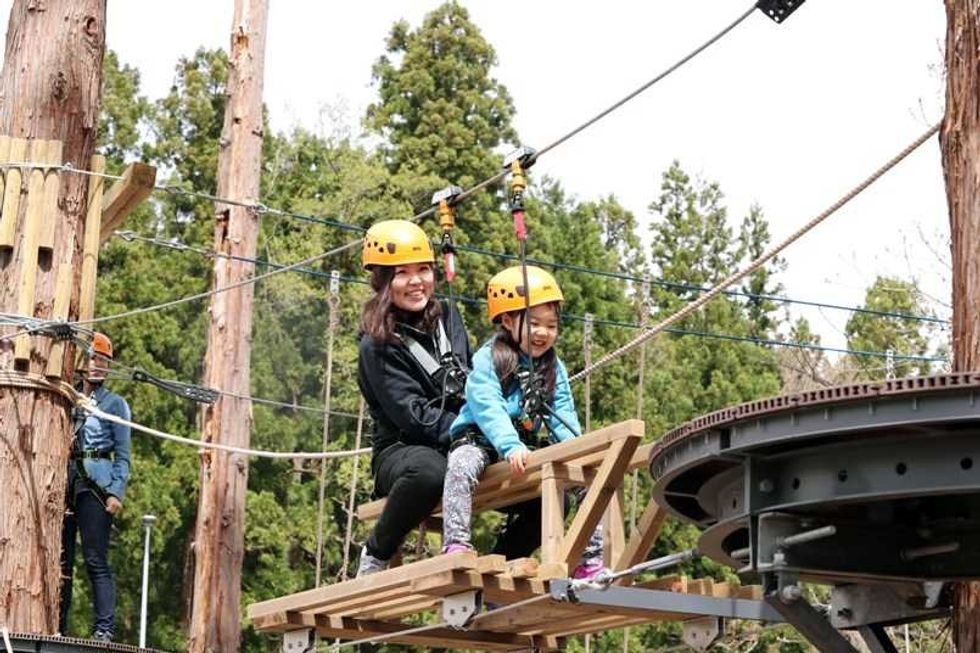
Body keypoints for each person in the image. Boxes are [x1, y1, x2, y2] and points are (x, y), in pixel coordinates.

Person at [440, 265, 605, 580]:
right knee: (461, 466)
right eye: (535, 324)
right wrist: (508, 444)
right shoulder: (489, 359)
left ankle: (590, 559)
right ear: (507, 321)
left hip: (522, 444)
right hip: (482, 440)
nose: (543, 333)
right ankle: (457, 542)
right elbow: (488, 404)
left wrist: (578, 448)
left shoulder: (552, 366)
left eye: (551, 325)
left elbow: (562, 409)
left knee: (584, 477)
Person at [356, 219, 472, 576]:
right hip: (403, 450)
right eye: (403, 273)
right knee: (429, 472)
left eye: (423, 270)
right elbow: (413, 415)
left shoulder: (447, 317)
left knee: (532, 463)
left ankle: (506, 556)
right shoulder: (376, 345)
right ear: (383, 281)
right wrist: (467, 429)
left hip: (458, 435)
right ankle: (377, 552)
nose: (417, 281)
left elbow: (468, 376)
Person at [60, 332, 132, 642]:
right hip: (65, 485)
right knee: (62, 560)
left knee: (94, 558)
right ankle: (58, 623)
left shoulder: (115, 405)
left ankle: (104, 628)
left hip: (95, 485)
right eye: (93, 359)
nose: (98, 366)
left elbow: (124, 455)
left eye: (104, 361)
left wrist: (116, 491)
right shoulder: (67, 395)